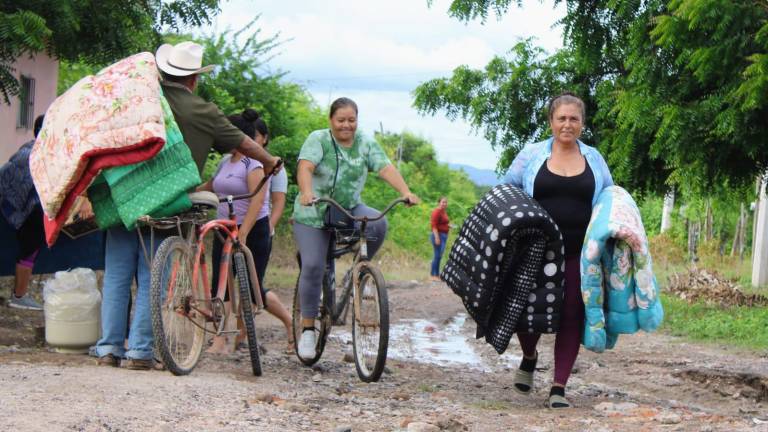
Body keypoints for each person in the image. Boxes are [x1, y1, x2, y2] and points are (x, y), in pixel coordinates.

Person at [95, 41, 281, 370]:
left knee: (117, 275)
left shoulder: (137, 100)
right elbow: (243, 142)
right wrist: (269, 161)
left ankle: (109, 348)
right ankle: (140, 351)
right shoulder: (203, 112)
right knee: (152, 273)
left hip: (121, 197)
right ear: (193, 79)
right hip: (166, 202)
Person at [503, 92, 614, 408]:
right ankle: (528, 355)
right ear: (551, 121)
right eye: (562, 118)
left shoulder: (594, 158)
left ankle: (558, 387)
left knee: (571, 313)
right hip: (535, 249)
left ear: (582, 123)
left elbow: (608, 196)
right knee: (528, 312)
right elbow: (507, 190)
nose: (568, 124)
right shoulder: (531, 155)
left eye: (574, 118)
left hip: (579, 251)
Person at [293, 97, 420, 361]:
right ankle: (307, 329)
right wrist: (306, 192)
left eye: (351, 120)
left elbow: (385, 168)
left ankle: (359, 272)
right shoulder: (319, 139)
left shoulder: (364, 142)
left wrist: (405, 191)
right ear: (331, 120)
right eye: (341, 120)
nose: (346, 125)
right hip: (314, 211)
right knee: (315, 266)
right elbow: (305, 167)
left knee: (377, 224)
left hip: (348, 208)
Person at [200, 109, 293, 355]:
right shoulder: (224, 162)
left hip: (253, 229)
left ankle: (247, 335)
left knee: (251, 288)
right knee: (221, 286)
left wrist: (244, 232)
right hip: (224, 229)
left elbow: (258, 199)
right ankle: (220, 339)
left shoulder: (253, 163)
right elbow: (211, 186)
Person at [0, 115, 87, 310]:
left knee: (29, 251)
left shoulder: (32, 150)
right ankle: (19, 296)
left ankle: (19, 295)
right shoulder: (38, 153)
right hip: (28, 211)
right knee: (28, 252)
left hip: (26, 209)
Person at [429, 196, 449, 281]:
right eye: (443, 202)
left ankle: (436, 274)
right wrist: (437, 238)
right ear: (439, 203)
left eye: (445, 202)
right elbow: (434, 225)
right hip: (438, 235)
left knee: (439, 256)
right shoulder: (436, 212)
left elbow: (442, 223)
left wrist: (448, 226)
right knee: (437, 255)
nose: (444, 204)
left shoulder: (443, 212)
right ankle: (433, 275)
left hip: (443, 235)